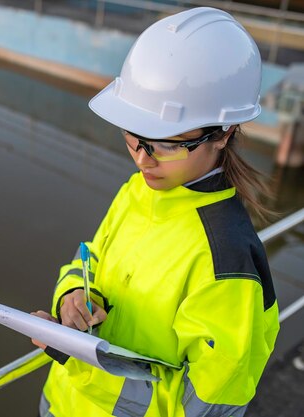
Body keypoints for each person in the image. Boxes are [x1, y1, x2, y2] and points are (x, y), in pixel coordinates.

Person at [31, 7, 280, 417]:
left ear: (225, 132)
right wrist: (73, 298)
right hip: (60, 401)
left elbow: (210, 406)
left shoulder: (226, 262)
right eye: (133, 135)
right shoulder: (138, 191)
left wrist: (77, 353)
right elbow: (88, 258)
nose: (143, 160)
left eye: (167, 143)